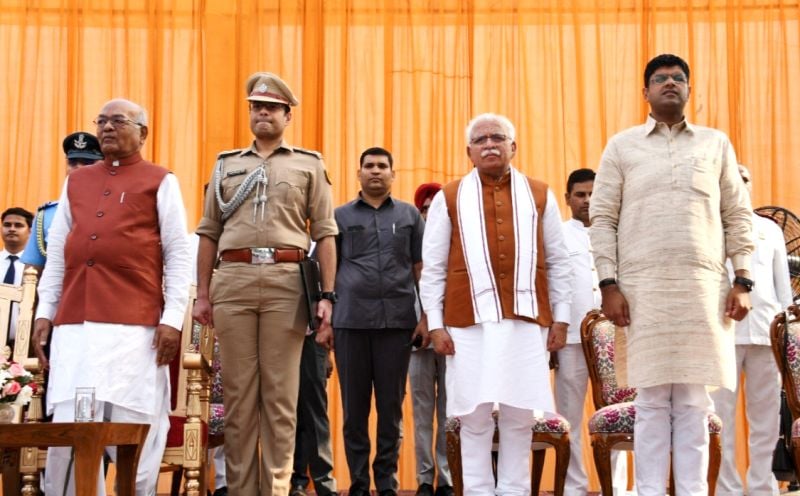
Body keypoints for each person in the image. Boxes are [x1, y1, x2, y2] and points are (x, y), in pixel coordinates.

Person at [589, 54, 754, 495]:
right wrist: (609, 284)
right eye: (660, 78)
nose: (669, 83)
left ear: (689, 90)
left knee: (695, 403)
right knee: (651, 401)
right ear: (645, 92)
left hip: (703, 289)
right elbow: (602, 218)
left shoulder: (715, 143)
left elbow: (737, 214)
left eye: (678, 78)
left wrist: (743, 279)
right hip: (641, 291)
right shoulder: (622, 146)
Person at [32, 98, 192, 495]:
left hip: (133, 328)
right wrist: (45, 311)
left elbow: (178, 251)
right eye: (101, 120)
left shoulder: (160, 179)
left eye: (118, 121)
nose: (106, 127)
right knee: (69, 423)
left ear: (143, 132)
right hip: (74, 325)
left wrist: (172, 319)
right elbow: (57, 252)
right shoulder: (77, 181)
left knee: (132, 423)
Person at [193, 72, 338, 495]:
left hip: (285, 282)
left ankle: (276, 488)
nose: (262, 113)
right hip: (233, 281)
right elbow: (208, 232)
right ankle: (240, 489)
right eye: (256, 107)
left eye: (271, 108)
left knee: (279, 396)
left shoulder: (308, 164)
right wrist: (203, 294)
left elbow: (325, 233)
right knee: (239, 396)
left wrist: (327, 296)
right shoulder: (226, 164)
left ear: (287, 115)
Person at [420, 113, 572, 495]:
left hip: (526, 320)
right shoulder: (449, 197)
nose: (490, 144)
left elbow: (558, 261)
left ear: (513, 147)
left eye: (498, 138)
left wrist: (562, 318)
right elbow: (433, 267)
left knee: (521, 415)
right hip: (467, 323)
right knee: (473, 416)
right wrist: (435, 324)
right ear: (469, 152)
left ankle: (515, 491)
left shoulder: (540, 193)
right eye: (481, 139)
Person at [333, 147, 427, 496]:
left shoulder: (409, 216)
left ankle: (385, 483)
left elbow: (421, 269)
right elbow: (329, 270)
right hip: (350, 323)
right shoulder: (339, 216)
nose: (375, 171)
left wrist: (427, 317)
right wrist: (324, 319)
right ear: (358, 173)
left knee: (390, 410)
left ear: (393, 173)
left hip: (397, 324)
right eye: (369, 166)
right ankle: (358, 484)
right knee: (354, 410)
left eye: (382, 166)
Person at [709, 164, 792, 496]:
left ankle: (762, 486)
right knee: (721, 417)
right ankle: (728, 488)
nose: (739, 186)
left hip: (764, 331)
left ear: (752, 185)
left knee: (766, 416)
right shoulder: (709, 226)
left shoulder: (769, 229)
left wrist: (786, 330)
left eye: (745, 180)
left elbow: (783, 287)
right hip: (722, 332)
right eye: (733, 181)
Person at [557, 168, 630, 495]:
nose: (587, 201)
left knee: (616, 413)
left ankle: (614, 486)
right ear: (568, 198)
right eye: (580, 195)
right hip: (570, 338)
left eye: (592, 194)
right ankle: (574, 487)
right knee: (568, 414)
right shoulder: (556, 235)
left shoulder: (619, 234)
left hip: (615, 339)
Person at [408, 182, 453, 496]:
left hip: (454, 337)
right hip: (416, 338)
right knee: (422, 409)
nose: (430, 214)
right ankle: (425, 479)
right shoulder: (409, 244)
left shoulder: (459, 241)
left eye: (436, 207)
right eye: (425, 209)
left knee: (451, 410)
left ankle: (447, 479)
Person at [22, 132, 103, 274]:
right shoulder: (47, 215)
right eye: (72, 163)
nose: (78, 168)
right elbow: (32, 273)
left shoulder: (118, 209)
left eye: (87, 162)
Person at [1, 207, 33, 344]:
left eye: (18, 225)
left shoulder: (36, 267)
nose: (12, 229)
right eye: (7, 225)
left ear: (30, 231)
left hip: (23, 344)